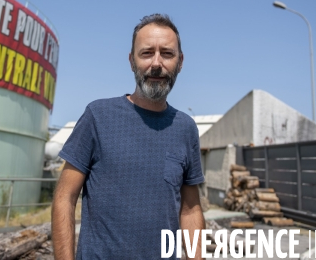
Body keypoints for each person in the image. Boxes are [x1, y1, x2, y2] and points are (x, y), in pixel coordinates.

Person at [52, 14, 205, 259]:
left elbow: (190, 210)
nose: (156, 63)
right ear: (132, 61)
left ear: (180, 61)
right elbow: (64, 197)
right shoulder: (98, 116)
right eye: (146, 53)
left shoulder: (185, 128)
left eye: (167, 53)